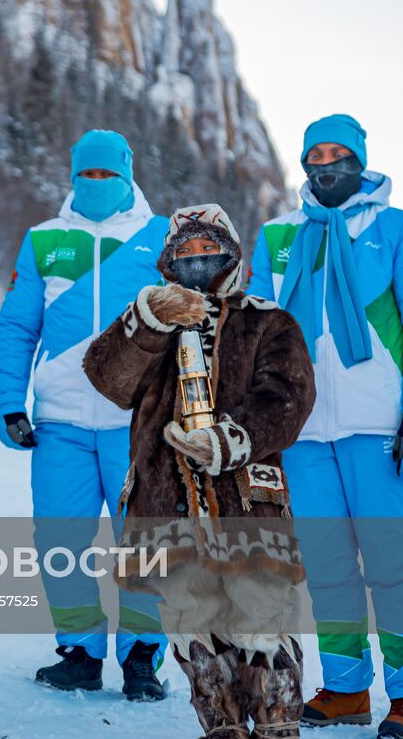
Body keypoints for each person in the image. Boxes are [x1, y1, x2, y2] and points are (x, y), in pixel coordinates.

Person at [248, 114, 403, 739]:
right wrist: (263, 421)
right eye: (316, 155)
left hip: (377, 428)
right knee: (328, 564)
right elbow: (258, 335)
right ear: (304, 164)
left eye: (339, 154)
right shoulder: (278, 235)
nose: (326, 164)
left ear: (359, 161)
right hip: (304, 434)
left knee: (392, 563)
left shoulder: (396, 228)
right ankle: (345, 687)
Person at [85, 204, 317, 739]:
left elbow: (290, 397)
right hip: (165, 500)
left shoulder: (267, 320)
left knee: (262, 615)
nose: (197, 258)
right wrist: (147, 320)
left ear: (231, 252)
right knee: (191, 621)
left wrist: (229, 439)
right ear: (167, 261)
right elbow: (107, 378)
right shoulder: (151, 321)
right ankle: (224, 730)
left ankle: (279, 728)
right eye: (183, 251)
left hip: (245, 499)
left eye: (208, 247)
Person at [0, 128, 170, 700]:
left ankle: (142, 658)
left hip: (137, 423)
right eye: (86, 175)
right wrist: (9, 403)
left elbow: (192, 321)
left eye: (107, 175)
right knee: (60, 541)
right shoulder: (44, 240)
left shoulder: (158, 237)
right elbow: (18, 325)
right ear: (72, 177)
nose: (96, 184)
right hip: (61, 423)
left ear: (126, 176)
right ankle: (80, 653)